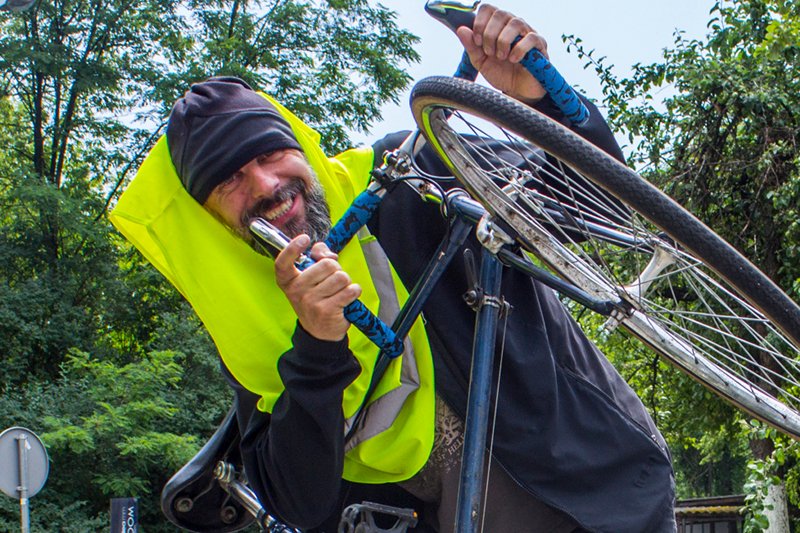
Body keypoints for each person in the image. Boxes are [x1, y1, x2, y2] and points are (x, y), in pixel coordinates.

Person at [111, 4, 676, 532]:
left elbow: (592, 206)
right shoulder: (245, 323)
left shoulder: (405, 175)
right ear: (210, 214)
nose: (264, 186)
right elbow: (298, 502)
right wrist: (317, 343)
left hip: (602, 483)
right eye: (228, 181)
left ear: (301, 149)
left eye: (269, 155)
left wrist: (539, 105)